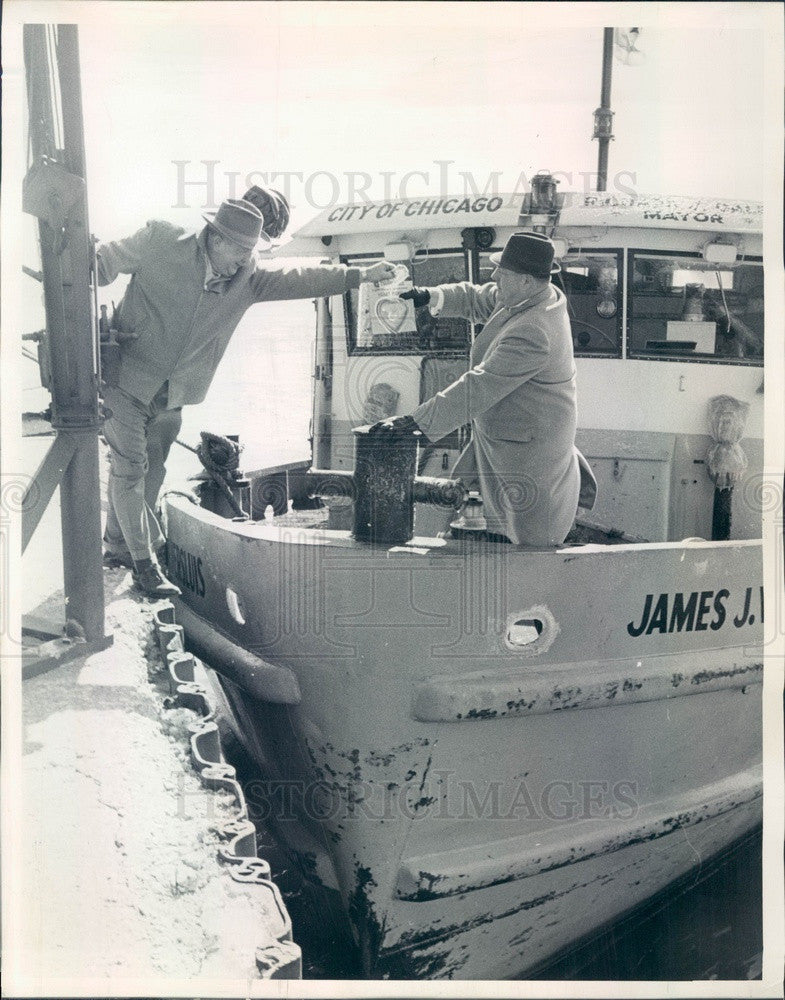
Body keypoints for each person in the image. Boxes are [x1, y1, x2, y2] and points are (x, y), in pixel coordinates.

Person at [99, 194, 396, 595]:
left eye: (250, 254)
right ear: (215, 238)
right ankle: (143, 565)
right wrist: (77, 268)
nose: (243, 263)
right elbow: (102, 262)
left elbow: (298, 278)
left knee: (151, 472)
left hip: (173, 397)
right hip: (125, 381)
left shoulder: (248, 277)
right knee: (130, 469)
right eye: (240, 252)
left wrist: (359, 276)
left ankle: (118, 547)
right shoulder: (160, 239)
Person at [370, 231, 596, 546]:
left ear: (526, 281)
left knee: (528, 548)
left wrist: (413, 424)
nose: (494, 278)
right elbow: (478, 297)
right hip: (498, 446)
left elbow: (479, 386)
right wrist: (428, 295)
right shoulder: (528, 296)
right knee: (480, 527)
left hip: (527, 462)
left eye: (501, 274)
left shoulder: (535, 330)